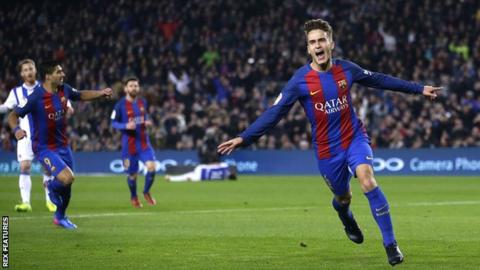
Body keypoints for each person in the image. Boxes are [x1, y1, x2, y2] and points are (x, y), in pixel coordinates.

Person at [217, 19, 442, 266]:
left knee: (367, 180)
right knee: (343, 197)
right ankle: (345, 215)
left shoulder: (347, 69)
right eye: (312, 42)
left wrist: (418, 89)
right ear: (308, 48)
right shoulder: (299, 81)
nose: (317, 45)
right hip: (327, 151)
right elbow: (275, 112)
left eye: (321, 40)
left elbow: (379, 79)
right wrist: (244, 137)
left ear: (331, 43)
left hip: (354, 137)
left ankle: (391, 245)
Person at [8, 60, 112, 229]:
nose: (63, 74)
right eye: (59, 72)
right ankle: (49, 185)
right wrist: (17, 130)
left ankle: (60, 217)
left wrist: (100, 93)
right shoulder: (35, 96)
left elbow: (81, 95)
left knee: (68, 186)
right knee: (67, 178)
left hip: (63, 146)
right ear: (48, 76)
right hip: (44, 148)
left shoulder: (64, 89)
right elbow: (12, 115)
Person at [0, 59, 73, 213]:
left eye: (31, 69)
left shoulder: (47, 87)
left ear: (36, 71)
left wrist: (69, 107)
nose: (29, 72)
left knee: (48, 170)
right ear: (21, 74)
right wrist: (16, 129)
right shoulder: (16, 92)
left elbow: (64, 99)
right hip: (25, 137)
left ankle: (50, 202)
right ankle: (26, 202)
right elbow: (7, 109)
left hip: (45, 138)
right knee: (25, 166)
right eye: (25, 70)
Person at [110, 77, 157, 208]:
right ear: (126, 89)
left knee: (152, 168)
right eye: (131, 86)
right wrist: (125, 125)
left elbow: (143, 118)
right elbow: (113, 123)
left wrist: (146, 123)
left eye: (136, 86)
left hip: (143, 143)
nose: (134, 88)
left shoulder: (143, 102)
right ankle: (134, 197)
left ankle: (146, 191)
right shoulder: (119, 105)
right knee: (132, 175)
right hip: (128, 146)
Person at [165, 127, 236, 182]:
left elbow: (215, 164)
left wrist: (208, 165)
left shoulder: (224, 167)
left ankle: (171, 178)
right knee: (188, 176)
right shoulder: (222, 176)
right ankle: (172, 178)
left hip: (203, 169)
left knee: (188, 176)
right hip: (203, 174)